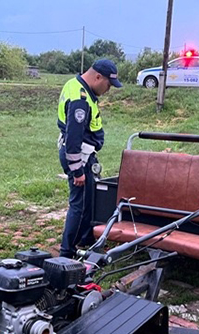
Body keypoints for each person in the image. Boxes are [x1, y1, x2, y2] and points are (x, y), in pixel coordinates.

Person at [57, 59, 122, 259]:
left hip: (81, 154)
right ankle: (67, 252)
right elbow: (74, 136)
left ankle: (85, 241)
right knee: (80, 205)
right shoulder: (81, 99)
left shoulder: (74, 85)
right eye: (108, 85)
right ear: (97, 77)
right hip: (79, 156)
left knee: (89, 201)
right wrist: (77, 170)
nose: (108, 89)